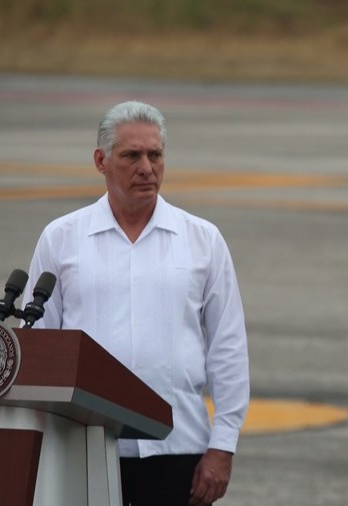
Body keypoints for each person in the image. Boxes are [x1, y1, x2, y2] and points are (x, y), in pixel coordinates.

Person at [24, 100, 250, 506]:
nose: (147, 167)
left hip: (178, 450)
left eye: (156, 154)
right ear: (101, 160)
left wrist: (223, 446)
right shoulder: (61, 239)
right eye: (132, 155)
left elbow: (228, 349)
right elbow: (38, 346)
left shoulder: (203, 240)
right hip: (83, 446)